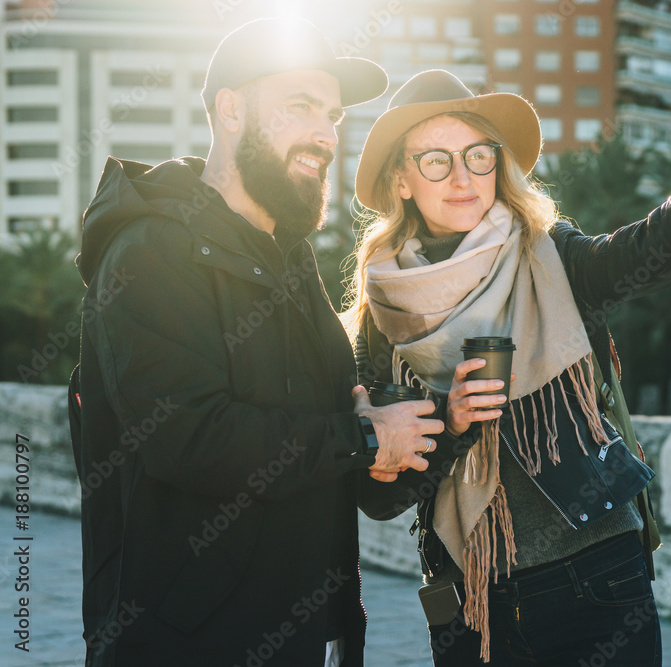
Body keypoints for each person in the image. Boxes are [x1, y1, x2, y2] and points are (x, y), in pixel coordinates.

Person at [346, 69, 671, 664]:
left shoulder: (552, 256)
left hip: (598, 581)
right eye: (435, 160)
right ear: (402, 179)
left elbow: (654, 248)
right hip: (469, 601)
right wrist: (451, 422)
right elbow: (378, 494)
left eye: (477, 155)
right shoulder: (380, 309)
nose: (463, 177)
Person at [69, 18, 445, 667]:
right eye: (301, 106)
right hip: (180, 645)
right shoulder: (150, 250)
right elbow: (187, 437)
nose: (326, 134)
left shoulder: (289, 264)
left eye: (331, 115)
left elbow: (337, 446)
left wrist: (410, 436)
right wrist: (359, 437)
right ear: (232, 109)